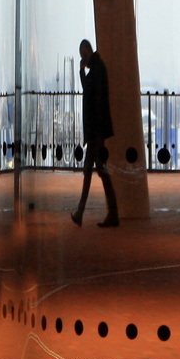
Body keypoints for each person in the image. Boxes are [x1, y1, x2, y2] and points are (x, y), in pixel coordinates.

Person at [70, 39, 119, 228]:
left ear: (88, 51)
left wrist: (83, 70)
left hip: (95, 131)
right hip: (96, 130)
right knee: (96, 170)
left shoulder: (97, 68)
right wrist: (82, 70)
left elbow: (89, 90)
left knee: (96, 171)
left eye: (84, 53)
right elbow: (87, 87)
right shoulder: (97, 68)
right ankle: (87, 212)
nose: (83, 57)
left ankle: (104, 213)